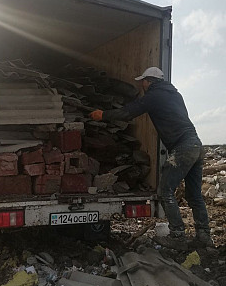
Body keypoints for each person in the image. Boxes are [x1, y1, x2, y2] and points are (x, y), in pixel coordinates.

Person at [89, 66, 212, 248]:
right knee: (194, 195)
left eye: (143, 82)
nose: (142, 85)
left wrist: (103, 115)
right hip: (195, 144)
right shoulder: (175, 94)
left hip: (183, 147)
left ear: (149, 82)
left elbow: (128, 112)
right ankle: (204, 236)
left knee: (165, 191)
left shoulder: (154, 96)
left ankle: (177, 236)